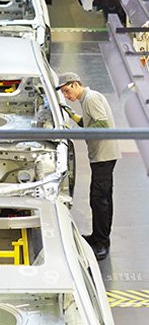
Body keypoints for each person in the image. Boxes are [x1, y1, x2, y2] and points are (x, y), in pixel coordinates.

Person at [56, 72, 120, 261]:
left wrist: (72, 133)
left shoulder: (91, 98)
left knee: (99, 200)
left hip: (103, 156)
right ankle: (98, 237)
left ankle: (102, 243)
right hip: (100, 156)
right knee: (101, 198)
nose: (68, 96)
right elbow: (88, 122)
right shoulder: (87, 99)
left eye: (68, 91)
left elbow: (102, 125)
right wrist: (70, 114)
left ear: (75, 84)